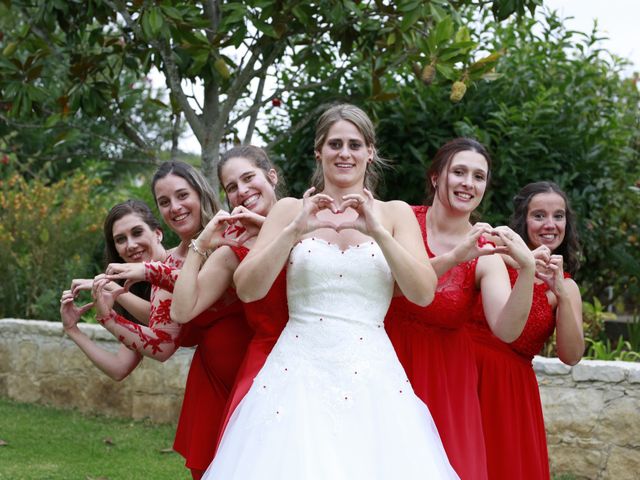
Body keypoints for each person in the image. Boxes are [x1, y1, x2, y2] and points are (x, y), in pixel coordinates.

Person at [204, 104, 459, 479]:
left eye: (355, 144)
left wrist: (377, 232)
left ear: (370, 152)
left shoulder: (394, 213)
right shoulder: (289, 209)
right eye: (335, 144)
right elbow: (247, 289)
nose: (344, 153)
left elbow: (422, 292)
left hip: (372, 372)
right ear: (318, 151)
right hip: (296, 372)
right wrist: (293, 230)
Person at [385, 137, 536, 480]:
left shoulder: (487, 252)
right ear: (437, 177)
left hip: (445, 381)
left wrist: (526, 271)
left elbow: (507, 330)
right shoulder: (401, 219)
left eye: (479, 177)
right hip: (385, 360)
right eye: (459, 172)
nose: (469, 183)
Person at [91, 161, 252, 479]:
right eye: (164, 202)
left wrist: (146, 272)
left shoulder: (235, 231)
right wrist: (107, 313)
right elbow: (162, 339)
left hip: (257, 371)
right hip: (212, 385)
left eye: (182, 195)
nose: (175, 207)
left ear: (200, 193)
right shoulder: (170, 262)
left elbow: (213, 284)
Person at [168, 146, 288, 446]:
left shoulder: (306, 215)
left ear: (271, 176)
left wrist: (271, 228)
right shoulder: (233, 249)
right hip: (265, 369)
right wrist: (201, 243)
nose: (242, 191)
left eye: (249, 178)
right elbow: (182, 311)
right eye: (232, 187)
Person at [467, 181, 584, 480]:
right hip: (464, 372)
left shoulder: (566, 287)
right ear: (523, 219)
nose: (550, 224)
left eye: (559, 216)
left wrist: (561, 292)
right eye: (539, 215)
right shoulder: (494, 252)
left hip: (510, 393)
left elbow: (571, 356)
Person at [60, 199, 167, 380]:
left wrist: (112, 286)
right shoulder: (135, 288)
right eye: (120, 239)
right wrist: (72, 329)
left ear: (157, 233)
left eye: (137, 232)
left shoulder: (178, 264)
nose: (130, 245)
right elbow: (119, 368)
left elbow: (165, 319)